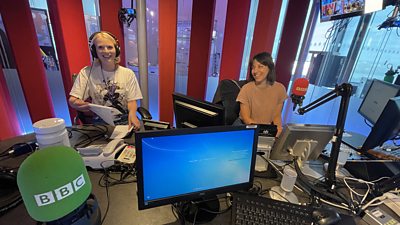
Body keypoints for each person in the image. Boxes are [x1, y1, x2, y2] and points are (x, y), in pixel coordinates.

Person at [69, 31, 143, 130]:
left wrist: (132, 114)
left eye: (109, 47)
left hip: (124, 120)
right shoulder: (86, 72)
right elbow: (73, 100)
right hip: (100, 122)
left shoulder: (128, 73)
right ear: (94, 51)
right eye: (100, 47)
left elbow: (132, 100)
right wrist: (77, 104)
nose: (106, 51)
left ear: (116, 49)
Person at [236, 52, 288, 137]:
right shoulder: (246, 88)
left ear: (270, 68)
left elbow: (276, 116)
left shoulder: (280, 89)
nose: (255, 71)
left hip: (266, 129)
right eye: (253, 67)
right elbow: (246, 119)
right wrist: (262, 132)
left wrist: (278, 131)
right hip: (247, 127)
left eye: (260, 66)